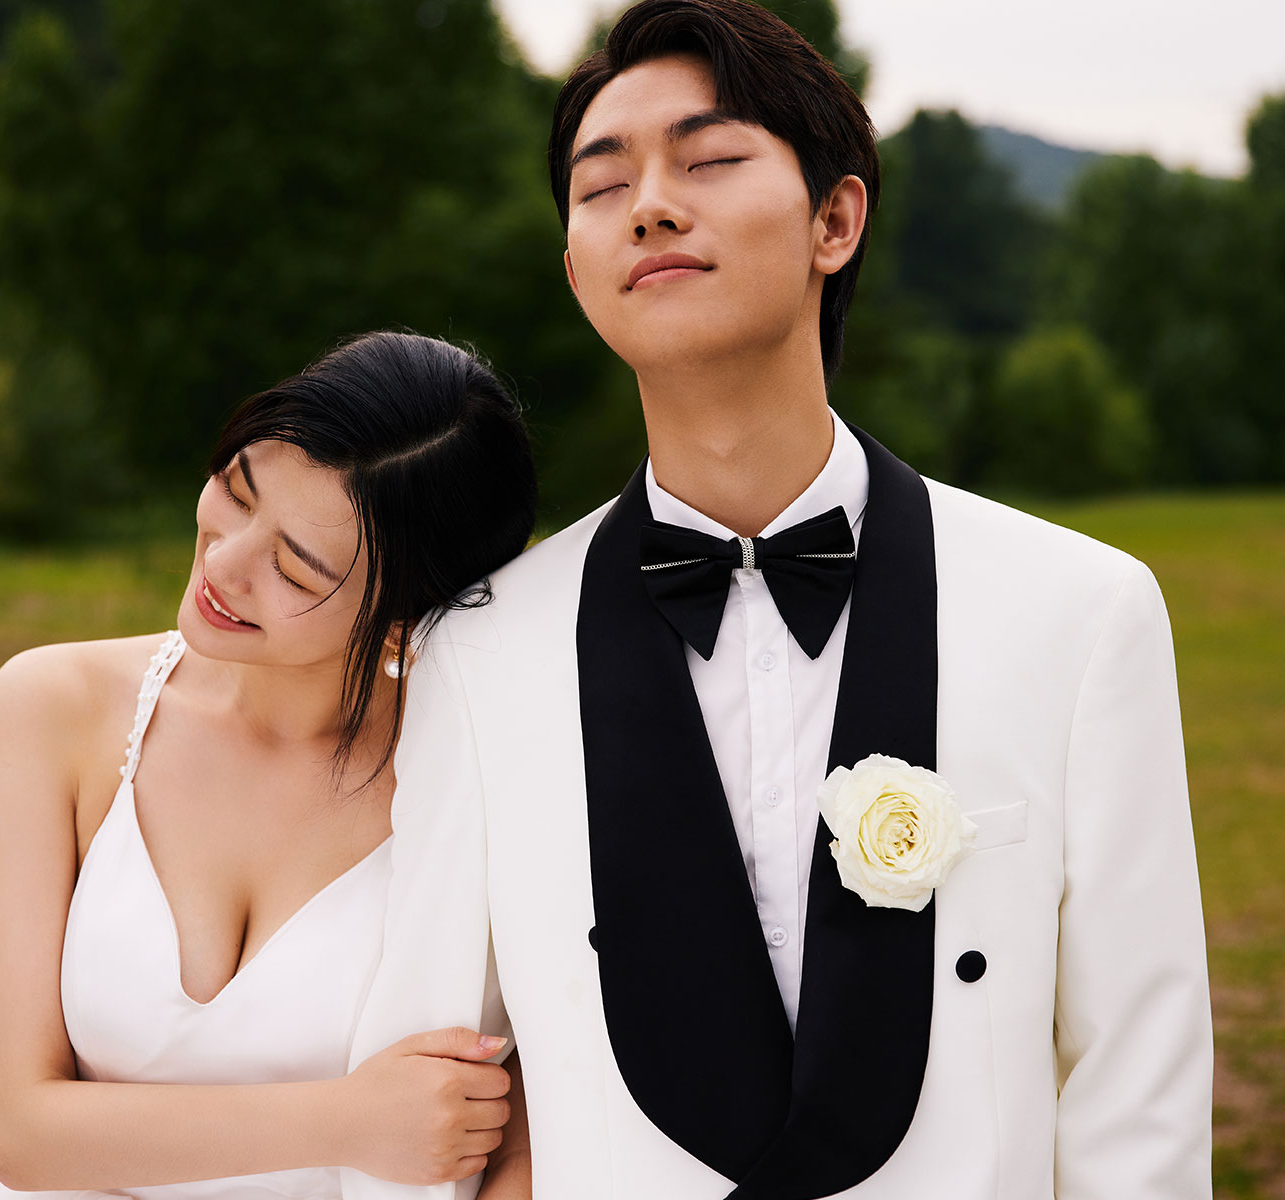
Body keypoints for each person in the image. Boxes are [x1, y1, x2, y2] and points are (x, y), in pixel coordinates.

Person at [371, 2, 1213, 1197]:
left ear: (835, 219)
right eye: (601, 185)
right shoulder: (478, 652)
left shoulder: (1081, 612)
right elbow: (424, 1094)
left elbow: (1139, 1088)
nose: (649, 205)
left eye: (709, 160)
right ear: (574, 270)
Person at [0, 331, 538, 1200]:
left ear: (403, 619)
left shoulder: (487, 783)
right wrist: (349, 1121)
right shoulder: (52, 709)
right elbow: (22, 1133)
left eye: (295, 569)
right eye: (236, 488)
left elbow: (533, 1121)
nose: (224, 562)